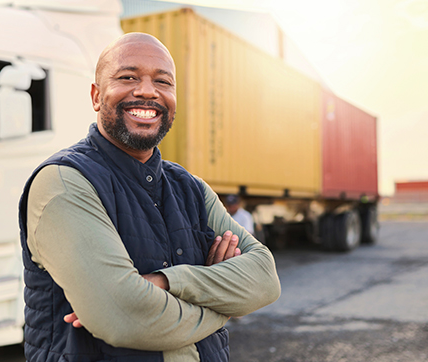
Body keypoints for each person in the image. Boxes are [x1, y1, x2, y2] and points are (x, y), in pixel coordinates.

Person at [18, 32, 280, 362]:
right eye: (127, 77)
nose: (147, 90)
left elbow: (265, 280)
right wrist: (223, 306)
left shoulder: (191, 188)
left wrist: (165, 284)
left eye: (163, 81)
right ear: (96, 96)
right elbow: (122, 316)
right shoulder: (65, 181)